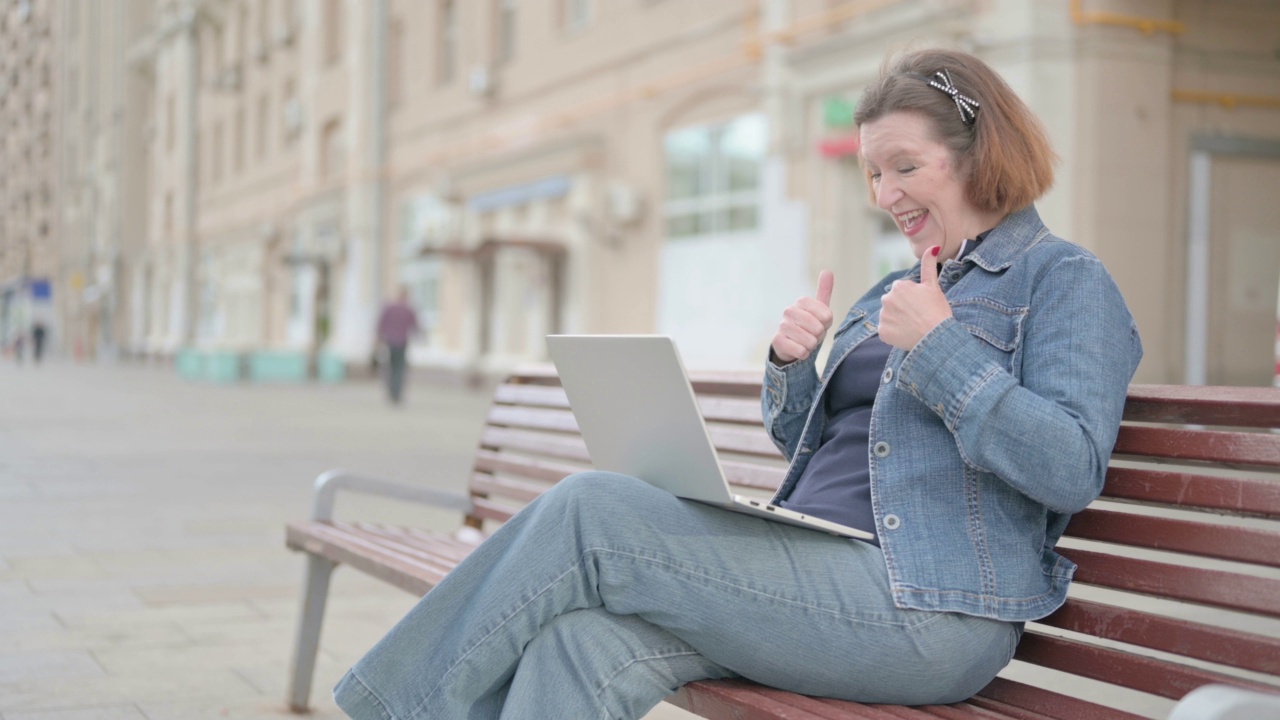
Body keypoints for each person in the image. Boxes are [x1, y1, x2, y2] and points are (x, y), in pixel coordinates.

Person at [333, 47, 1143, 719]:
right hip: (813, 568)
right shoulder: (887, 294)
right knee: (580, 641)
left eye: (904, 167)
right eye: (871, 173)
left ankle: (385, 709)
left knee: (592, 512)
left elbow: (1070, 466)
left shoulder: (1062, 278)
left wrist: (939, 352)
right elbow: (820, 451)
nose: (884, 195)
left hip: (932, 609)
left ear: (979, 152)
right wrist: (795, 370)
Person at [375, 286, 421, 405]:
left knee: (391, 367)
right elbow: (415, 326)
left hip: (391, 341)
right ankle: (396, 393)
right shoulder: (408, 310)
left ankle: (391, 391)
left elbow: (381, 324)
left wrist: (378, 339)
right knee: (399, 369)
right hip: (401, 342)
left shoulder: (389, 308)